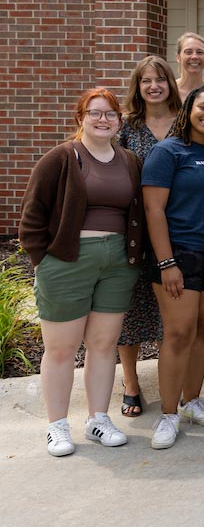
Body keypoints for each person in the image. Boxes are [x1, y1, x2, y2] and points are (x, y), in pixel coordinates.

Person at [20, 89, 144, 456]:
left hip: (118, 263)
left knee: (104, 345)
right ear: (81, 118)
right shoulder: (62, 157)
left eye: (110, 114)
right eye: (95, 113)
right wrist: (44, 261)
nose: (103, 120)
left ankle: (97, 420)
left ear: (120, 121)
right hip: (67, 261)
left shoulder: (129, 160)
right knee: (61, 349)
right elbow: (32, 215)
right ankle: (57, 426)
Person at [142, 85, 204, 449]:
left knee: (202, 330)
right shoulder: (167, 151)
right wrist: (167, 263)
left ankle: (192, 401)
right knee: (178, 333)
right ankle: (168, 415)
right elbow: (154, 211)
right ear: (189, 109)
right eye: (203, 107)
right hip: (177, 255)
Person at [116, 56, 181, 418]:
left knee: (171, 310)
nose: (154, 86)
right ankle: (130, 383)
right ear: (137, 87)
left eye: (160, 79)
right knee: (132, 308)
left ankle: (170, 384)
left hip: (180, 228)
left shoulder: (186, 123)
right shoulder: (126, 127)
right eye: (146, 81)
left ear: (171, 83)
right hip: (136, 231)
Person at [175, 32, 204, 97]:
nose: (194, 57)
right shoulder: (168, 91)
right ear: (178, 57)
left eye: (199, 52)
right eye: (188, 52)